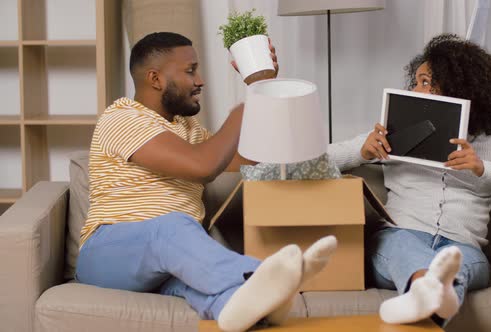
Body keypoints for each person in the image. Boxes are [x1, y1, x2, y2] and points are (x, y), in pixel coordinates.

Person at [75, 31, 338, 332]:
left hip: (162, 264)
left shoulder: (188, 129)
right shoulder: (122, 118)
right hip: (106, 254)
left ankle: (260, 307)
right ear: (155, 78)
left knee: (221, 297)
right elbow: (203, 167)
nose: (200, 80)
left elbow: (254, 156)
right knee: (171, 226)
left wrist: (265, 88)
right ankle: (266, 275)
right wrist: (247, 105)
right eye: (190, 71)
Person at [328, 33, 491, 326]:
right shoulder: (393, 134)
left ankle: (426, 296)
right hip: (401, 236)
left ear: (458, 86)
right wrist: (361, 151)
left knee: (455, 262)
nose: (416, 89)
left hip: (462, 247)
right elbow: (315, 161)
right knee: (395, 243)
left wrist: (482, 167)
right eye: (416, 81)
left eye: (425, 82)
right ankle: (439, 297)